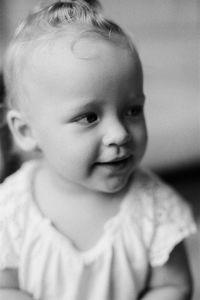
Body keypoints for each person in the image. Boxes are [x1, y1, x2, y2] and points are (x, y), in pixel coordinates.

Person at [0, 0, 196, 299]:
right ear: (27, 132)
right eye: (89, 117)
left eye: (132, 110)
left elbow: (173, 285)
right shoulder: (11, 212)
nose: (119, 133)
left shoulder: (153, 209)